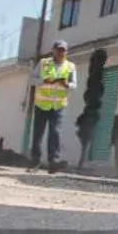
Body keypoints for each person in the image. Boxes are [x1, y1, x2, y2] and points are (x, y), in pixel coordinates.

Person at [30, 40, 77, 173]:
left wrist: (66, 85)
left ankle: (53, 162)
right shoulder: (44, 63)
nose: (61, 52)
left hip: (58, 105)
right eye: (58, 50)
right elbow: (32, 79)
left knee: (55, 133)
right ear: (53, 50)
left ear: (66, 52)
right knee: (38, 134)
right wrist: (43, 81)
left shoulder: (70, 66)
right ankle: (35, 162)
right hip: (41, 104)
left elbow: (74, 84)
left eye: (63, 50)